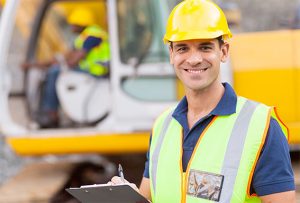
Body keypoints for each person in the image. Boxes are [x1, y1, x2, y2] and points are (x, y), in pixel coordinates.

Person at [111, 0, 296, 202]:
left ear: (223, 51)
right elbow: (148, 198)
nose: (194, 59)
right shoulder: (162, 126)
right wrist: (125, 194)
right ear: (171, 54)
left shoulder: (261, 125)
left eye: (205, 47)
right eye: (183, 49)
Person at [22, 8, 110, 128]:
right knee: (54, 70)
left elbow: (75, 59)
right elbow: (64, 56)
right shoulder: (83, 37)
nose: (71, 26)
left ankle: (51, 112)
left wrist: (63, 64)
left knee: (55, 72)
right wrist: (35, 65)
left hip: (97, 73)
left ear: (80, 23)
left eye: (73, 24)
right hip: (91, 72)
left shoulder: (93, 36)